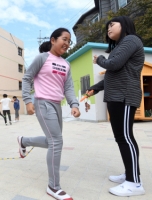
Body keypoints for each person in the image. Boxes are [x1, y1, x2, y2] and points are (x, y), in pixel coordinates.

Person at [17, 28, 80, 200]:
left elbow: (68, 87)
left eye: (69, 41)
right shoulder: (42, 58)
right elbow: (27, 78)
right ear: (53, 40)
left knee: (52, 141)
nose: (67, 43)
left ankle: (24, 141)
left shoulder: (66, 64)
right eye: (64, 39)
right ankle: (54, 186)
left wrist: (74, 104)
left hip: (57, 105)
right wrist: (28, 101)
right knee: (56, 141)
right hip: (43, 103)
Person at [86, 16, 145, 197]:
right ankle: (129, 174)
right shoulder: (120, 46)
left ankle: (134, 183)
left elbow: (112, 64)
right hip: (116, 96)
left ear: (124, 25)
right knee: (121, 137)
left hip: (125, 96)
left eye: (112, 25)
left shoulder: (131, 40)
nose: (108, 29)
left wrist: (100, 59)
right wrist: (94, 89)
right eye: (107, 27)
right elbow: (114, 75)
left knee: (126, 137)